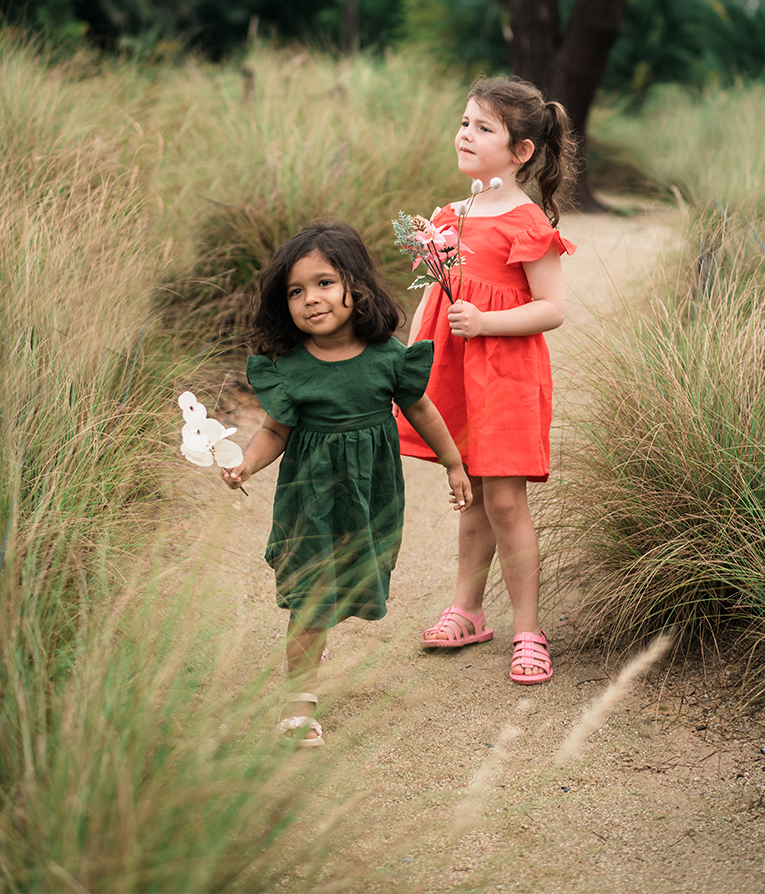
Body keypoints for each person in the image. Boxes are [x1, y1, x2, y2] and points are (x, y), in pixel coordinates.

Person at [221, 222, 471, 746]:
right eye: (295, 291)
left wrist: (453, 463)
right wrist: (245, 464)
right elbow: (274, 429)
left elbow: (420, 408)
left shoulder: (386, 357)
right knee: (309, 594)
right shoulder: (290, 368)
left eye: (324, 283)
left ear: (355, 287)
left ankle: (316, 635)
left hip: (369, 497)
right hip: (307, 499)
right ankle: (299, 699)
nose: (311, 299)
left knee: (351, 576)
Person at [398, 77, 576, 685]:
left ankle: (529, 628)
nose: (465, 134)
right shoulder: (452, 216)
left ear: (520, 151)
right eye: (465, 121)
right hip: (459, 373)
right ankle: (467, 610)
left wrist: (488, 320)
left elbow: (551, 308)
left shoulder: (527, 221)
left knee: (505, 499)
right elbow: (434, 298)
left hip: (506, 376)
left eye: (483, 128)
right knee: (472, 494)